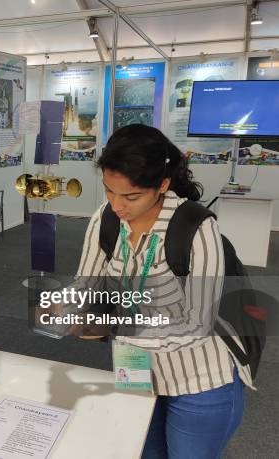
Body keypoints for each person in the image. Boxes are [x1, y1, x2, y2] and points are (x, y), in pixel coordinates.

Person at [70, 124, 251, 458]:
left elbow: (198, 323)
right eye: (109, 191)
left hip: (199, 378)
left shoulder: (195, 226)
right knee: (142, 452)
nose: (117, 205)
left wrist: (115, 326)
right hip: (134, 368)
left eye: (131, 196)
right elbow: (85, 284)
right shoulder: (106, 219)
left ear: (162, 184)